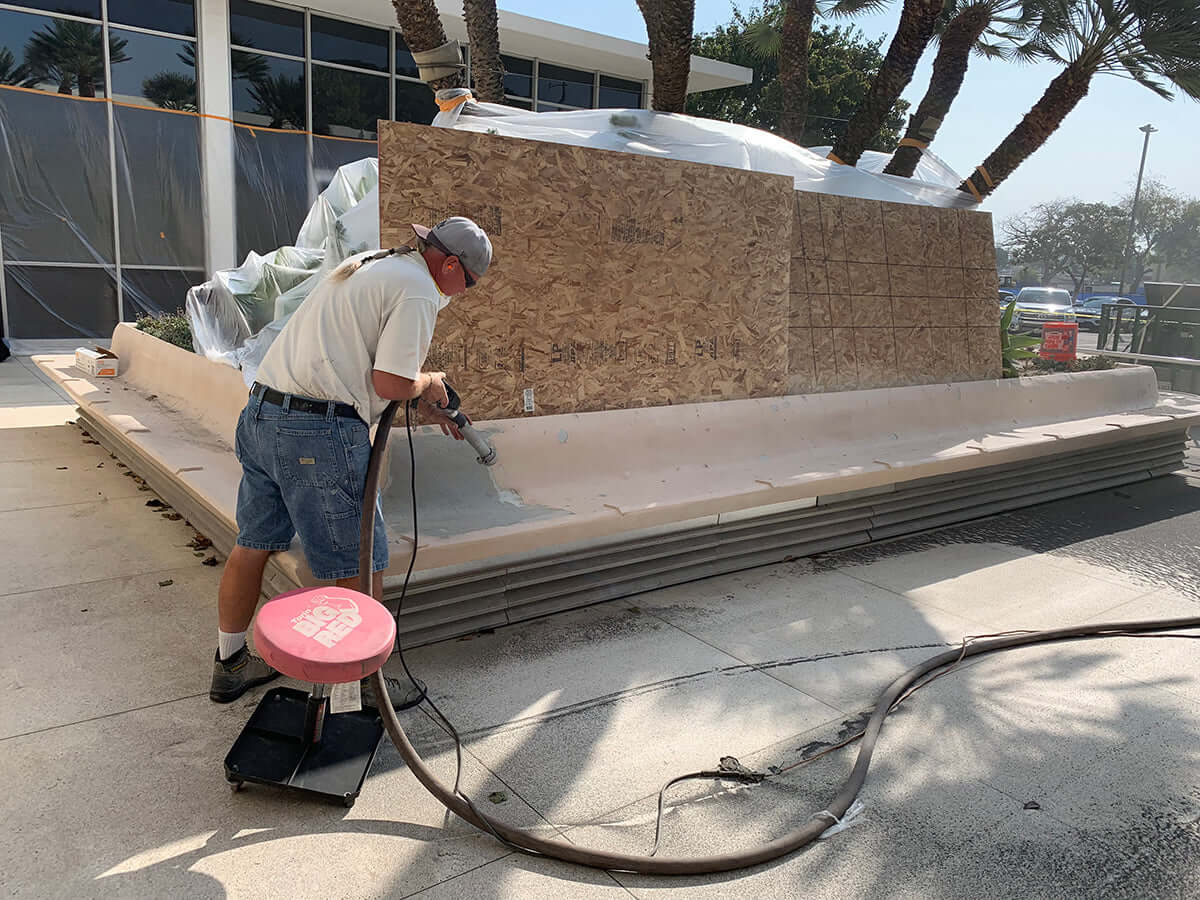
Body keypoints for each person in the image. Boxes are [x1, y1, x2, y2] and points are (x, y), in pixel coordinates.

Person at [209, 217, 492, 708]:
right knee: (360, 563)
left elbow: (355, 362)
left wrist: (417, 394)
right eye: (467, 283)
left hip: (262, 413)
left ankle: (230, 664)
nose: (463, 293)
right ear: (449, 265)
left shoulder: (372, 264)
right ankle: (362, 686)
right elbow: (389, 383)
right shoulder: (419, 289)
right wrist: (427, 383)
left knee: (253, 542)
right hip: (317, 433)